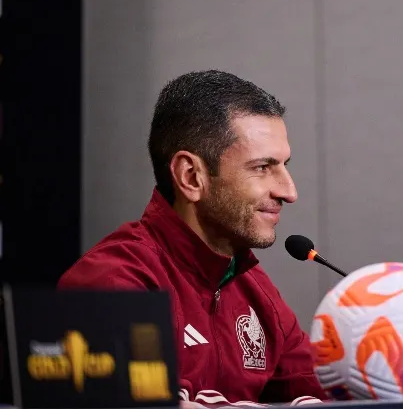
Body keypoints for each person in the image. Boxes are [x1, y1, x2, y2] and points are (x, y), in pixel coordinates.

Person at [58, 70, 326, 407]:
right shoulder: (112, 283)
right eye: (262, 167)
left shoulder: (254, 288)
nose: (289, 191)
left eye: (285, 165)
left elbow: (323, 395)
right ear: (190, 176)